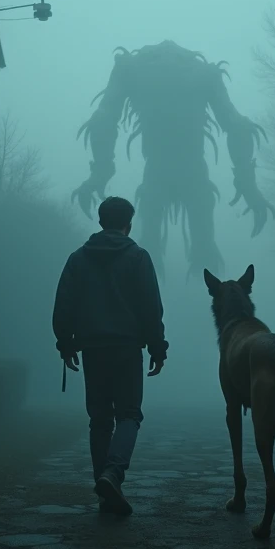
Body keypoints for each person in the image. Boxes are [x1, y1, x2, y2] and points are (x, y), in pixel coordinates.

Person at [52, 196, 169, 516]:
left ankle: (105, 493)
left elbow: (64, 303)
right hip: (128, 348)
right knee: (129, 414)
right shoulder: (138, 257)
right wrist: (157, 348)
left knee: (99, 419)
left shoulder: (78, 258)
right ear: (127, 225)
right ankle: (113, 474)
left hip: (92, 349)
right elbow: (150, 307)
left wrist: (65, 343)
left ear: (101, 221)